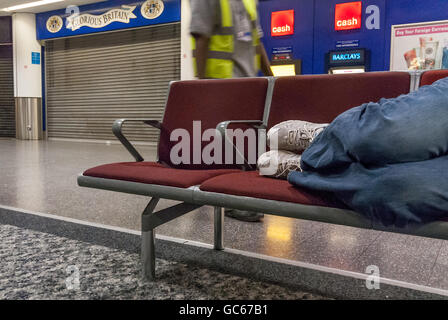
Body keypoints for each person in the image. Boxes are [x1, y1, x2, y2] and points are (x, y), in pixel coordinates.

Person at [190, 0, 272, 222]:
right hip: (222, 84)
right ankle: (228, 197)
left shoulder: (249, 2)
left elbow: (256, 43)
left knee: (239, 145)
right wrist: (202, 86)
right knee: (229, 146)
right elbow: (202, 38)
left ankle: (239, 200)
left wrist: (273, 79)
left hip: (242, 84)